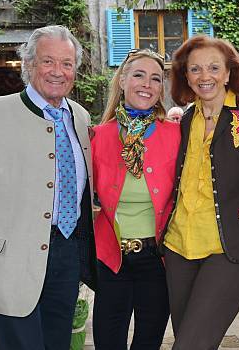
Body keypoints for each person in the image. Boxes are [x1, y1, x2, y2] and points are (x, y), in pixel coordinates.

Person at [0, 25, 97, 350]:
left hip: (66, 261)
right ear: (28, 65)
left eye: (67, 63)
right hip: (7, 270)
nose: (58, 71)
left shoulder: (79, 117)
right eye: (47, 61)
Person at [162, 35, 239, 349]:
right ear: (186, 76)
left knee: (190, 345)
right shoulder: (184, 120)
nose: (205, 76)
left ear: (228, 73)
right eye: (195, 69)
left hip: (230, 250)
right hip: (178, 249)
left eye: (214, 67)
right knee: (194, 340)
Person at [91, 48, 180, 349]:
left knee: (148, 341)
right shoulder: (97, 136)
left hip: (158, 259)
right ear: (123, 81)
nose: (147, 84)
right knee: (107, 340)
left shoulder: (177, 134)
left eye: (156, 78)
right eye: (139, 75)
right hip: (111, 258)